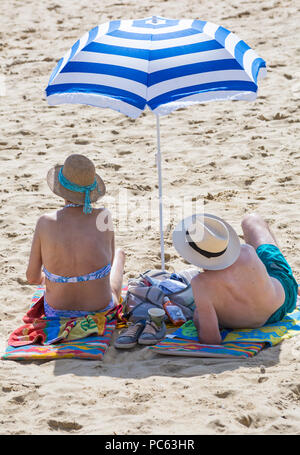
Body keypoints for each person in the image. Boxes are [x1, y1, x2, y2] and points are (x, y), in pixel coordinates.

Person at [172, 213, 298, 345]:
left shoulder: (201, 284)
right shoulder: (247, 252)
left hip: (239, 325)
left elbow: (211, 340)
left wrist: (198, 320)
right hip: (283, 305)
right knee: (251, 220)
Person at [26, 153, 125, 318]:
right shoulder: (104, 217)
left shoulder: (44, 222)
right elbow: (108, 263)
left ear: (62, 190)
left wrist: (55, 279)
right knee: (120, 255)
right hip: (100, 308)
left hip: (56, 310)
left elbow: (32, 277)